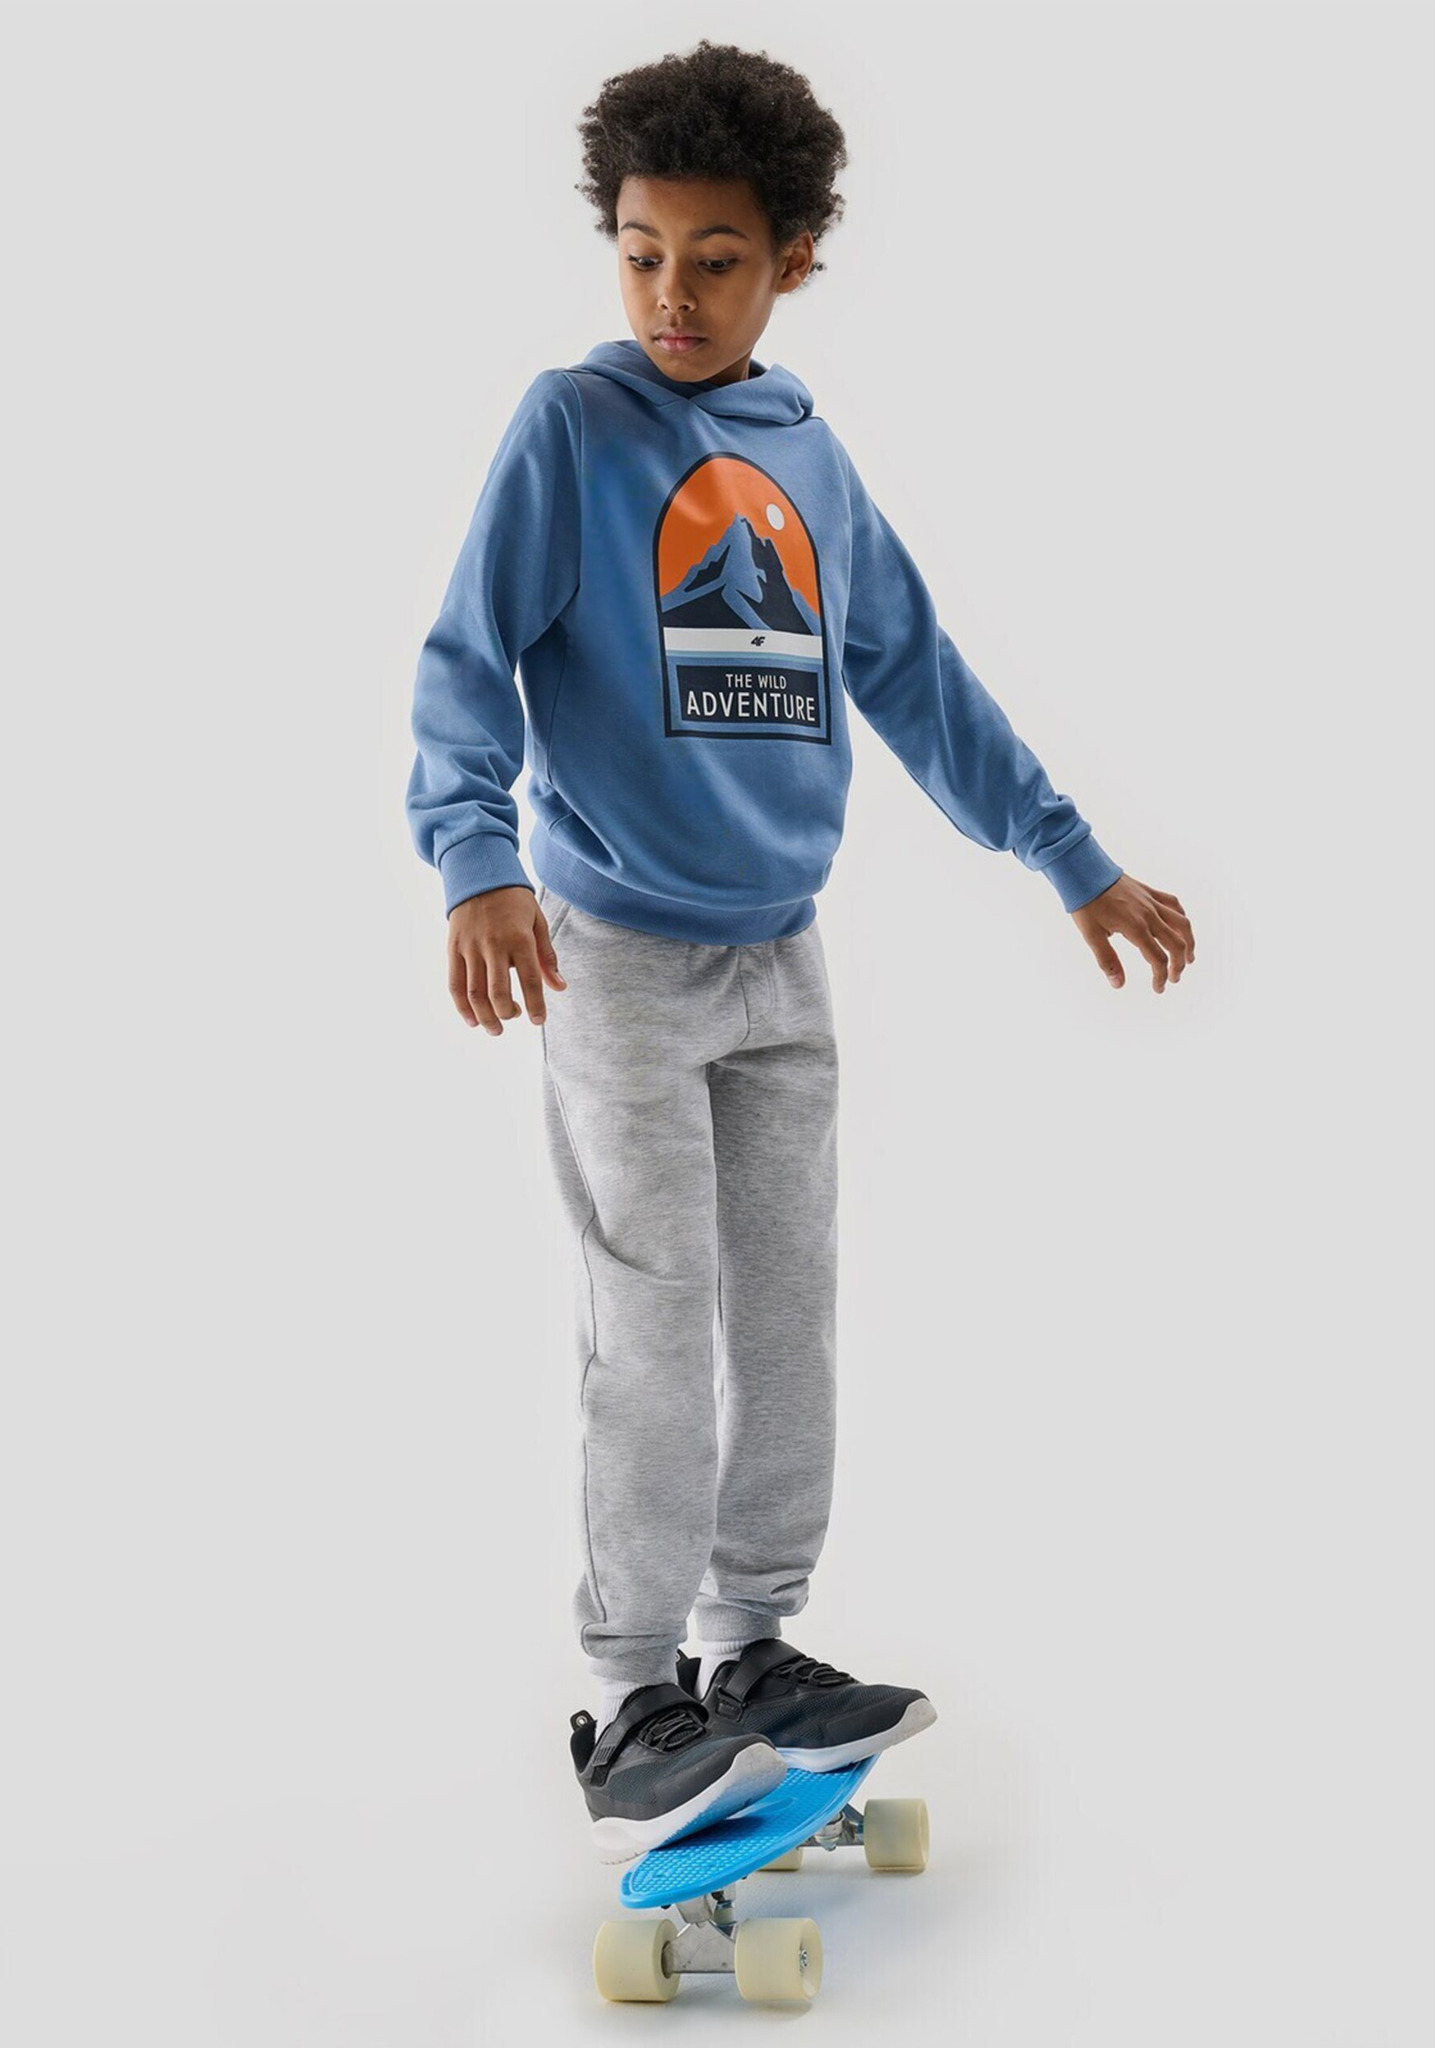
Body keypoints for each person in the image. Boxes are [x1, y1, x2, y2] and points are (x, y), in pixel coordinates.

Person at [405, 39, 1194, 1865]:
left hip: (781, 961)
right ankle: (629, 1687)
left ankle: (748, 1644)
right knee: (654, 1319)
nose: (671, 297)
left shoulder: (807, 457)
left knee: (786, 1316)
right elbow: (464, 655)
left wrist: (1071, 860)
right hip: (613, 954)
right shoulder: (572, 426)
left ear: (796, 261)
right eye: (641, 254)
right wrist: (473, 860)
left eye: (717, 260)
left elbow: (915, 675)